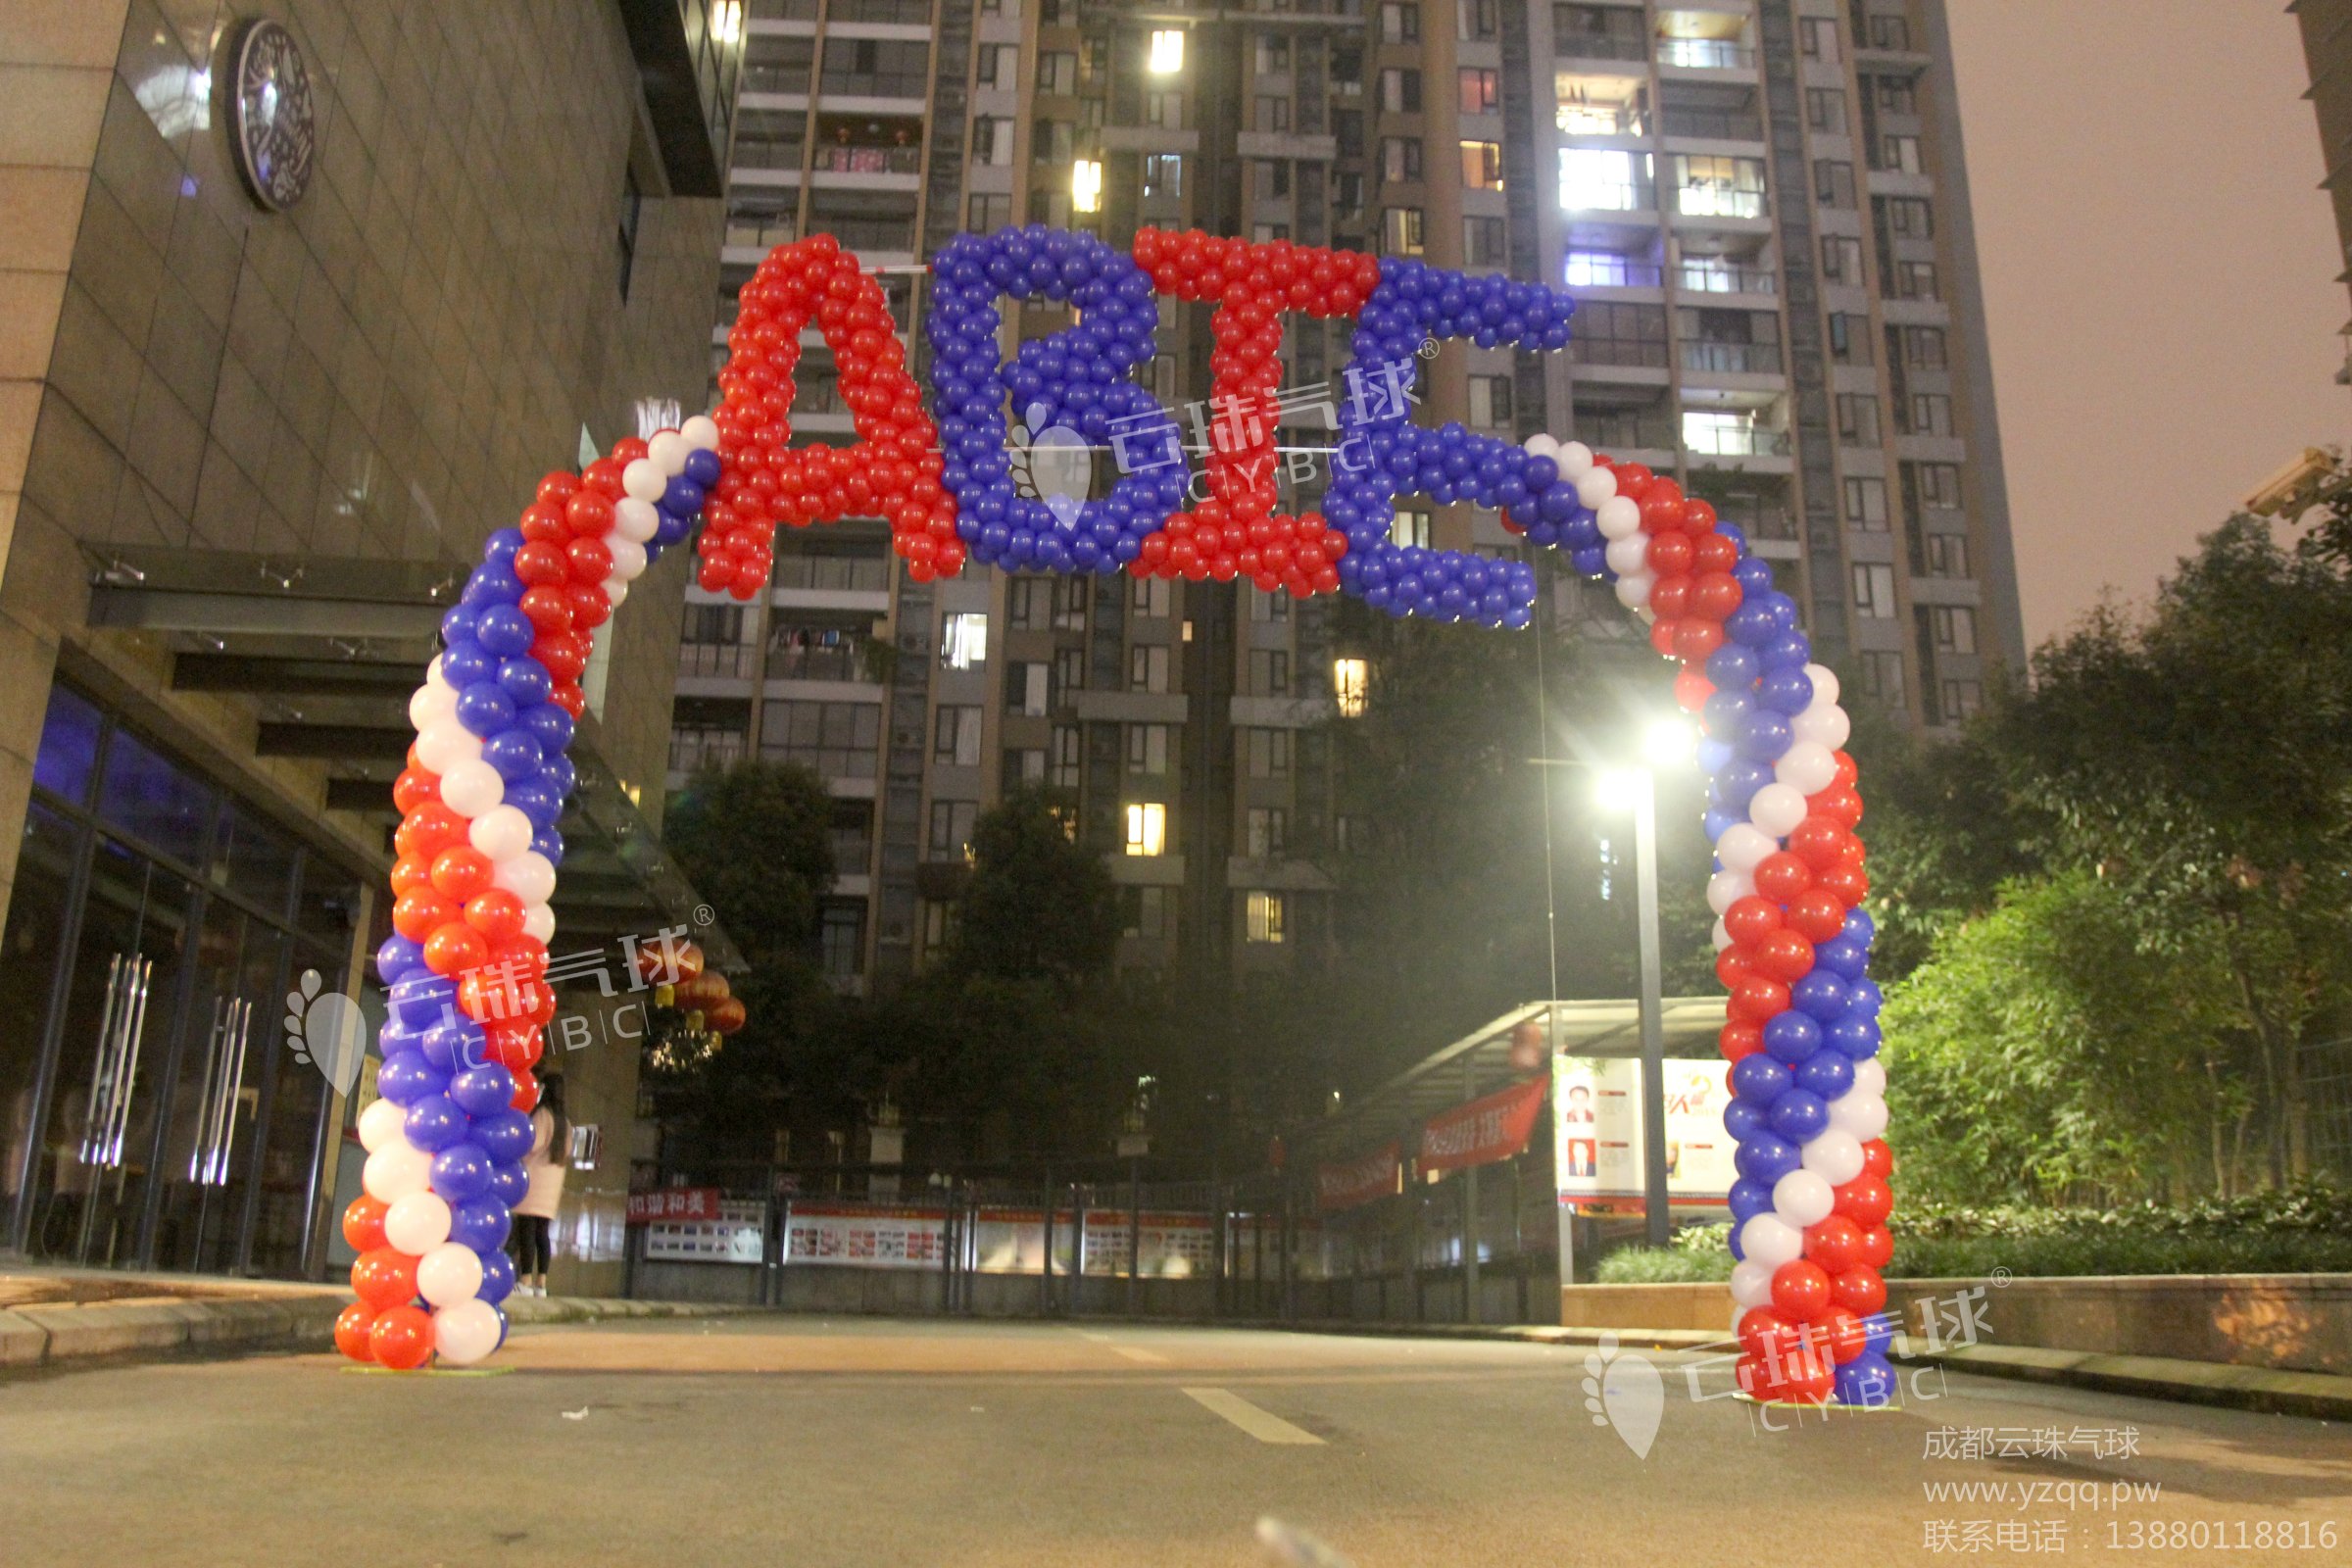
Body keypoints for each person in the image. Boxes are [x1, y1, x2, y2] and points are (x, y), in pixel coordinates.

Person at [511, 1076, 569, 1298]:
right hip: (552, 1186)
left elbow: (532, 1143)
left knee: (527, 1230)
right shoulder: (565, 1122)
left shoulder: (543, 1116)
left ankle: (525, 1280)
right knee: (542, 1233)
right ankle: (541, 1284)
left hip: (534, 1181)